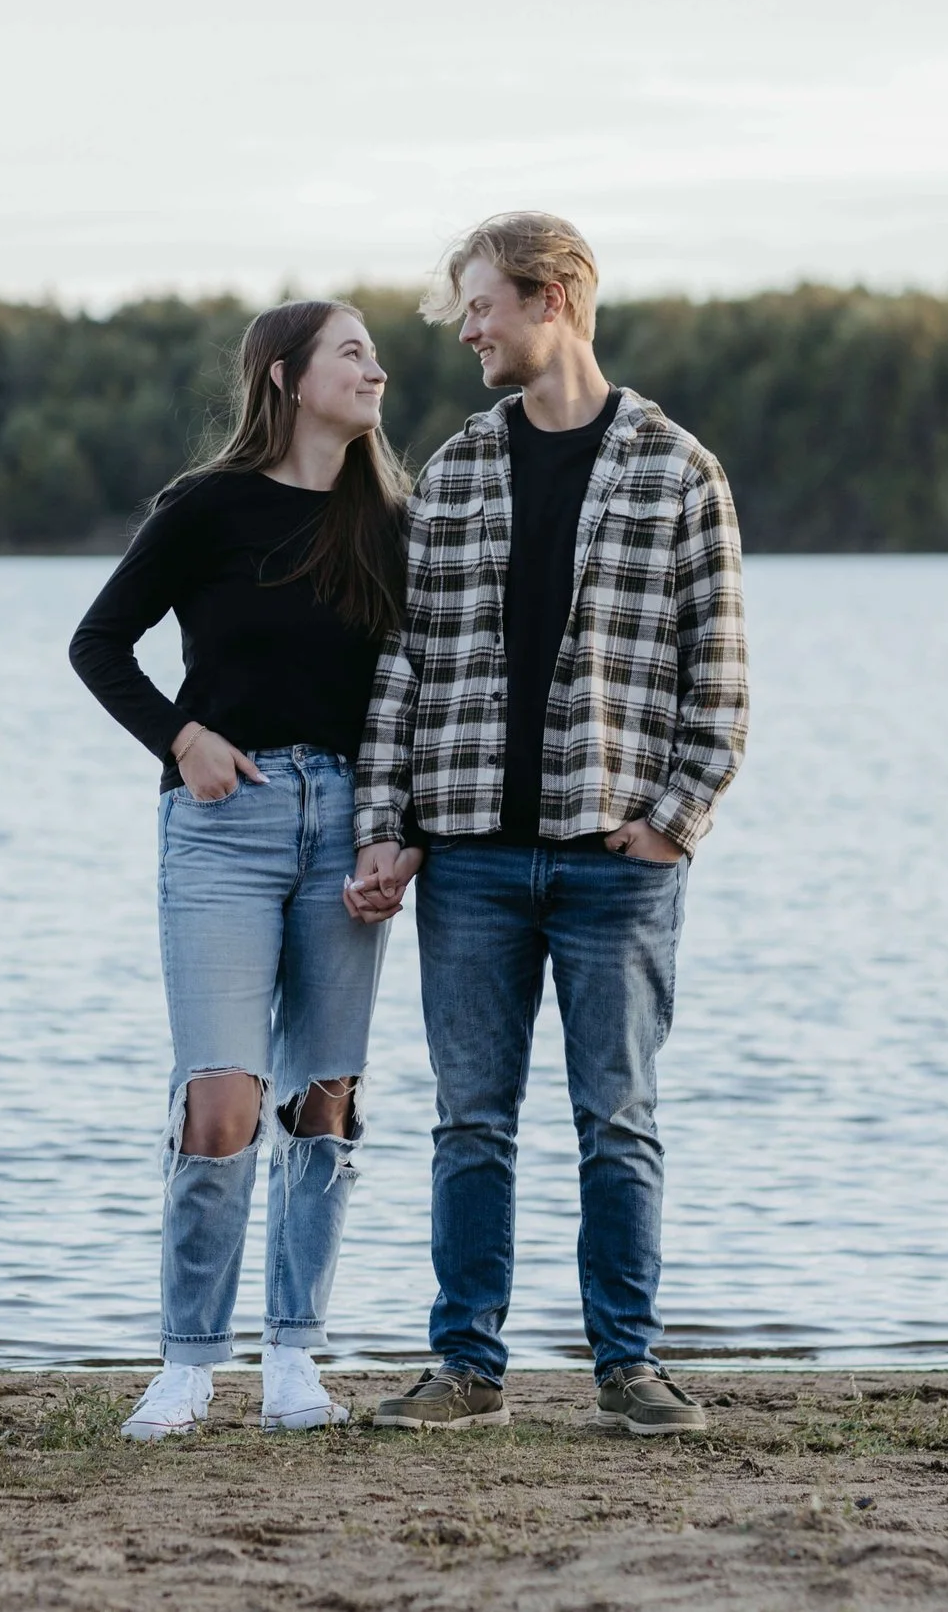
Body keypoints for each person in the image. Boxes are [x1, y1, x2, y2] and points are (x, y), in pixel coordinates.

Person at [346, 213, 749, 1436]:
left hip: (614, 862)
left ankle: (628, 1364)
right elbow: (402, 667)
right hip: (468, 858)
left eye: (480, 304)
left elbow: (717, 678)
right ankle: (466, 1367)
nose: (466, 327)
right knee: (471, 1120)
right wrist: (389, 823)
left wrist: (675, 821)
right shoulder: (458, 467)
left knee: (615, 1118)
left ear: (553, 296)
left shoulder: (679, 469)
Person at [70, 299, 417, 1439]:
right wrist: (182, 738)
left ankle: (291, 1356)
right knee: (223, 1097)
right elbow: (97, 642)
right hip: (225, 824)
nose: (377, 368)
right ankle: (186, 1360)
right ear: (284, 377)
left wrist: (394, 827)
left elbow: (410, 696)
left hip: (349, 826)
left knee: (325, 1093)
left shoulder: (391, 520)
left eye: (373, 352)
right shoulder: (205, 508)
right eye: (352, 352)